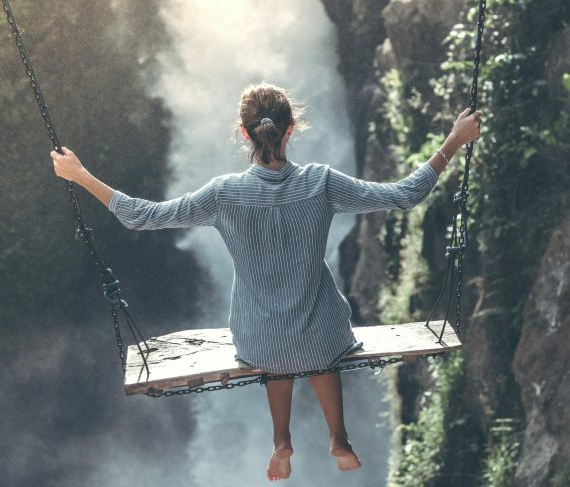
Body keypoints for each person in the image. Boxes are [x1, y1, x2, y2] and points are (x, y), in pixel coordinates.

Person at [50, 82, 481, 481]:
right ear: (292, 129)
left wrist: (81, 175)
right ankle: (339, 438)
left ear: (243, 134)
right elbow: (404, 194)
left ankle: (281, 441)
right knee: (320, 334)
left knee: (275, 343)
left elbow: (143, 216)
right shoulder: (321, 182)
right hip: (322, 334)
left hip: (260, 340)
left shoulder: (222, 193)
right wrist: (453, 143)